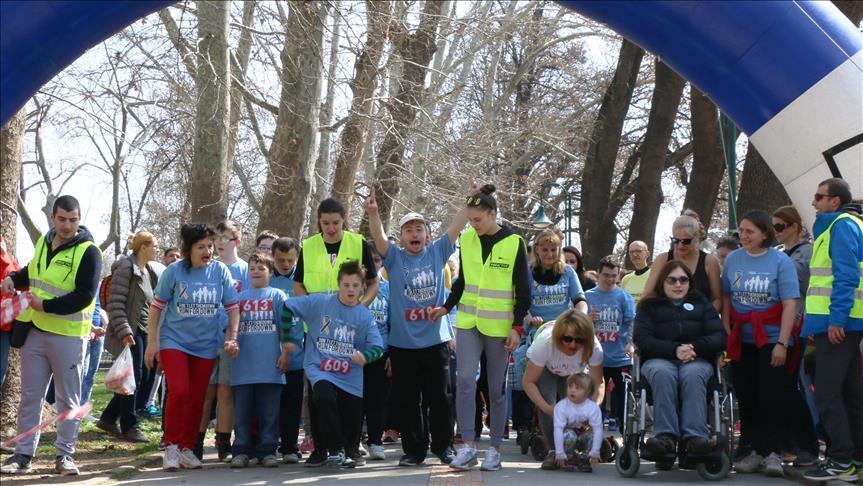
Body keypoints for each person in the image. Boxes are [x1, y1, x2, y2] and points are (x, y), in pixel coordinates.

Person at [365, 183, 469, 467]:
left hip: (436, 342)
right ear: (401, 237)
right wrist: (373, 213)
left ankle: (444, 447)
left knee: (441, 398)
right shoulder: (394, 258)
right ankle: (414, 450)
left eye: (419, 229)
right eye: (409, 230)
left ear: (427, 235)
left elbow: (457, 225)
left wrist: (470, 199)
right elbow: (379, 237)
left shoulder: (437, 252)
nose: (414, 234)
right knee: (408, 401)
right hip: (403, 345)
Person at [1, 196, 103, 476]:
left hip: (68, 337)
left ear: (79, 219)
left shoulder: (89, 252)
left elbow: (84, 296)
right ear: (52, 217)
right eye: (62, 219)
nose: (67, 225)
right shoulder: (43, 242)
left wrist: (44, 306)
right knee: (30, 397)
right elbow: (34, 272)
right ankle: (22, 455)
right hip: (35, 332)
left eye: (73, 220)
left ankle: (65, 456)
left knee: (68, 401)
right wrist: (14, 278)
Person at [438, 184, 530, 472]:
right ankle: (467, 447)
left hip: (500, 326)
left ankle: (494, 450)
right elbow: (463, 280)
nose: (473, 225)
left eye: (478, 219)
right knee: (464, 380)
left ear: (492, 214)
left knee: (495, 388)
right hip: (468, 321)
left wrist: (517, 327)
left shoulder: (515, 242)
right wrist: (446, 307)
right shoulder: (466, 239)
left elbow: (524, 290)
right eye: (470, 220)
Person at [143, 223, 240, 472]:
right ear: (189, 250)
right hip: (174, 341)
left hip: (206, 344)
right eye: (201, 247)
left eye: (209, 246)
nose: (208, 251)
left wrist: (232, 337)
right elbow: (156, 308)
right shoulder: (174, 272)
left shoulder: (220, 271)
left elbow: (232, 308)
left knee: (198, 398)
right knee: (180, 391)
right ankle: (171, 447)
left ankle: (187, 448)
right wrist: (152, 343)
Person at [293, 197, 379, 466]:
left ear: (344, 220)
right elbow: (298, 285)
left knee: (350, 392)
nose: (330, 228)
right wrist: (311, 312)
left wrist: (359, 309)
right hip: (319, 331)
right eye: (325, 223)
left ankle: (351, 447)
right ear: (318, 222)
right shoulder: (308, 246)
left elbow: (373, 283)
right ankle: (321, 448)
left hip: (349, 330)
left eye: (336, 223)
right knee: (319, 392)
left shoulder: (358, 243)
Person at [280, 261, 384, 469]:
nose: (351, 290)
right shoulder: (320, 302)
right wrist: (288, 339)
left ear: (362, 287)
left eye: (355, 285)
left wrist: (365, 356)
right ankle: (334, 450)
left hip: (350, 375)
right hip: (320, 368)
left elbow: (378, 347)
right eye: (346, 285)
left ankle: (349, 449)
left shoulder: (364, 315)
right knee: (324, 397)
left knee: (351, 418)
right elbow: (287, 307)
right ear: (339, 285)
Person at [722, 210, 799, 477]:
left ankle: (774, 452)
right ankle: (752, 449)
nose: (743, 236)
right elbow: (726, 298)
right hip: (742, 339)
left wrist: (783, 343)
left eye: (750, 232)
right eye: (741, 231)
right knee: (746, 394)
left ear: (765, 234)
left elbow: (790, 304)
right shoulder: (733, 260)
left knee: (770, 394)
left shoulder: (780, 261)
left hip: (771, 337)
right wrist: (727, 330)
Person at [802, 178, 863, 482]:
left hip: (839, 324)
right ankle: (856, 460)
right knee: (851, 394)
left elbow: (846, 275)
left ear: (835, 201)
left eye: (819, 196)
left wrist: (836, 320)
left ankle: (840, 460)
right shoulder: (848, 225)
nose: (814, 202)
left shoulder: (841, 225)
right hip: (842, 323)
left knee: (826, 394)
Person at [633, 261, 726, 457]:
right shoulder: (649, 306)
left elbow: (719, 336)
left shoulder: (702, 304)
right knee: (663, 373)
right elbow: (642, 339)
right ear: (662, 282)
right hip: (658, 359)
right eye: (672, 280)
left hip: (696, 359)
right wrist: (674, 350)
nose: (678, 284)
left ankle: (695, 438)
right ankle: (666, 437)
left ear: (690, 282)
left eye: (683, 280)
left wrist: (695, 348)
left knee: (692, 374)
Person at [99, 230, 163, 443]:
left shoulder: (149, 271)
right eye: (154, 246)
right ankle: (130, 425)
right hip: (129, 331)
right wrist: (125, 332)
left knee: (141, 376)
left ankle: (108, 417)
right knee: (132, 378)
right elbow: (115, 304)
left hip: (144, 330)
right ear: (143, 247)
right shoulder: (126, 269)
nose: (157, 250)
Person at [227, 252, 289, 469]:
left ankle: (268, 451)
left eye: (261, 268)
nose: (255, 271)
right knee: (242, 415)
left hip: (271, 368)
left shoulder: (278, 296)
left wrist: (286, 353)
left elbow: (286, 327)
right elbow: (229, 327)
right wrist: (230, 342)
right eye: (252, 268)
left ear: (270, 272)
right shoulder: (238, 298)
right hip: (242, 368)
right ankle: (241, 451)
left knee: (269, 415)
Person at [521, 309, 605, 470]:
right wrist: (547, 408)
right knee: (549, 402)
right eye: (567, 339)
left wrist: (593, 407)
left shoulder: (594, 348)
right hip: (546, 368)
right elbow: (528, 382)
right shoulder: (545, 344)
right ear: (559, 336)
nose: (573, 345)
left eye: (579, 340)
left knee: (580, 400)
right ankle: (553, 451)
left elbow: (598, 383)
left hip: (573, 371)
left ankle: (577, 447)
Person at [197, 219, 249, 461]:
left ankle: (224, 442)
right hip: (207, 338)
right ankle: (196, 442)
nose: (219, 243)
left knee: (226, 392)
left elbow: (246, 303)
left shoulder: (245, 270)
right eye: (216, 238)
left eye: (225, 238)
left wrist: (233, 333)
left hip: (231, 340)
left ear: (236, 241)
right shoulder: (209, 267)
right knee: (206, 392)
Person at [772, 205, 819, 467]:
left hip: (799, 325)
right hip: (778, 326)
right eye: (773, 227)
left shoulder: (807, 252)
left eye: (780, 226)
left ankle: (808, 444)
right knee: (781, 387)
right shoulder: (779, 253)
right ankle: (786, 444)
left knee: (793, 387)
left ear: (795, 226)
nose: (776, 231)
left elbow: (807, 285)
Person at [584, 256, 635, 434]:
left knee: (622, 395)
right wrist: (588, 319)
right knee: (596, 394)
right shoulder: (588, 297)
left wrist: (630, 343)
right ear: (598, 274)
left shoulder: (624, 297)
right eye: (606, 275)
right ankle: (594, 428)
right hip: (596, 357)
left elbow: (631, 322)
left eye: (614, 276)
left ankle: (622, 426)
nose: (610, 279)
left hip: (620, 357)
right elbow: (578, 324)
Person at [269, 237, 306, 464]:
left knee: (293, 402)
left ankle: (290, 446)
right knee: (270, 403)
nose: (285, 264)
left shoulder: (303, 280)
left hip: (297, 352)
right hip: (268, 352)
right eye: (281, 260)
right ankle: (268, 445)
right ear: (272, 256)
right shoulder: (266, 278)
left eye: (290, 260)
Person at [644, 210, 722, 310]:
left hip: (700, 317)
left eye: (686, 241)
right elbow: (648, 294)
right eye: (675, 240)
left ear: (697, 238)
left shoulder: (709, 261)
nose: (680, 245)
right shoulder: (662, 259)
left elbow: (717, 299)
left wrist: (707, 316)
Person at [362, 249, 390, 461]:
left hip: (381, 352)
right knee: (353, 400)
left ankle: (375, 441)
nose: (373, 265)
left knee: (377, 400)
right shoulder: (351, 286)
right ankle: (353, 441)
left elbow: (394, 323)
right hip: (354, 352)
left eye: (377, 260)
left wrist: (392, 354)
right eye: (368, 261)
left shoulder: (388, 288)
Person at [552, 372, 603, 473]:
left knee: (593, 434)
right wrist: (559, 453)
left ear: (588, 392)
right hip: (569, 436)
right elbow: (558, 429)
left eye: (577, 388)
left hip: (584, 434)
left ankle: (585, 459)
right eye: (570, 386)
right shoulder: (561, 406)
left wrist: (595, 451)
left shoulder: (593, 408)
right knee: (569, 435)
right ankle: (568, 459)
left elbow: (598, 429)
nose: (572, 390)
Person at [0, 236, 20, 389]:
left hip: (4, 323)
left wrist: (5, 254)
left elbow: (18, 277)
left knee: (1, 366)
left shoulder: (10, 261)